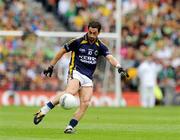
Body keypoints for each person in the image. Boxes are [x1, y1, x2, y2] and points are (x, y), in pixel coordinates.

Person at [33, 21, 129, 133]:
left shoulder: (100, 46)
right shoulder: (78, 41)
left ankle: (70, 127)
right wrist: (51, 66)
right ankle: (43, 111)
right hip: (76, 71)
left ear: (99, 33)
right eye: (90, 32)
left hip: (88, 77)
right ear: (87, 30)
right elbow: (62, 51)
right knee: (71, 91)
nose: (92, 35)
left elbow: (110, 57)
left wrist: (119, 67)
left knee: (86, 102)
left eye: (94, 33)